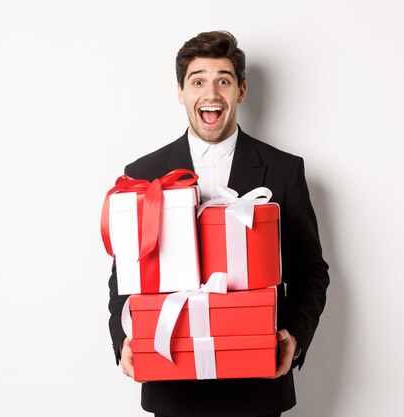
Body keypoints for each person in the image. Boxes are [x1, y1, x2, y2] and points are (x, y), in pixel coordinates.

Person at [108, 30, 330, 417]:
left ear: (241, 91)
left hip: (255, 389)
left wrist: (293, 337)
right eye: (198, 81)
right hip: (171, 379)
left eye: (223, 81)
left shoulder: (283, 170)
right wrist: (124, 341)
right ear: (181, 92)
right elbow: (124, 277)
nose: (211, 93)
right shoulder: (143, 173)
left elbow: (311, 271)